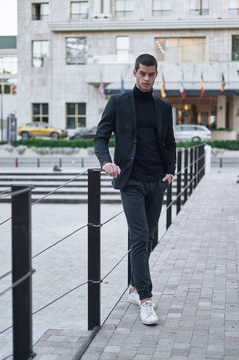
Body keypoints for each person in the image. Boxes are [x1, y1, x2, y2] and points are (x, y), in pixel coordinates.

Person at [94, 54, 176, 325]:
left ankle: (132, 287)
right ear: (134, 72)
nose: (146, 78)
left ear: (156, 74)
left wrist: (170, 171)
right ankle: (145, 299)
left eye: (151, 74)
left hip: (157, 182)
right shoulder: (118, 103)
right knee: (140, 237)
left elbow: (169, 143)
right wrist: (106, 162)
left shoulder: (163, 107)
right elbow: (100, 137)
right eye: (142, 73)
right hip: (130, 182)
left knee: (149, 238)